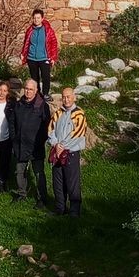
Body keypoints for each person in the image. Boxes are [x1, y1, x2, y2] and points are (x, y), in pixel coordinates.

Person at [47, 87, 87, 217]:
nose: (66, 99)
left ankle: (75, 211)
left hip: (71, 153)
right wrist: (56, 144)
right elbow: (50, 129)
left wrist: (63, 146)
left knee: (72, 182)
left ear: (74, 97)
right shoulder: (58, 113)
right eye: (64, 97)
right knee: (58, 182)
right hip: (57, 152)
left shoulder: (79, 114)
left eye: (68, 96)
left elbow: (78, 134)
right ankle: (60, 209)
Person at [12, 78, 51, 208]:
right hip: (20, 144)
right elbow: (13, 123)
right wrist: (14, 138)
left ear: (36, 91)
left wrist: (40, 141)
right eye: (26, 89)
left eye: (31, 89)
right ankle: (21, 194)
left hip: (36, 146)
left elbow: (47, 126)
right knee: (19, 171)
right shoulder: (19, 104)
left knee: (38, 172)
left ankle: (42, 198)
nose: (28, 91)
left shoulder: (42, 105)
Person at [20, 9, 60, 99]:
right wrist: (23, 53)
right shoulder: (30, 30)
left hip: (44, 58)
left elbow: (54, 43)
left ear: (42, 18)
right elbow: (26, 43)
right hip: (31, 58)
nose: (36, 20)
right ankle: (36, 94)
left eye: (38, 18)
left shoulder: (48, 30)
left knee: (46, 76)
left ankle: (45, 94)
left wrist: (53, 57)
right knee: (34, 78)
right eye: (34, 18)